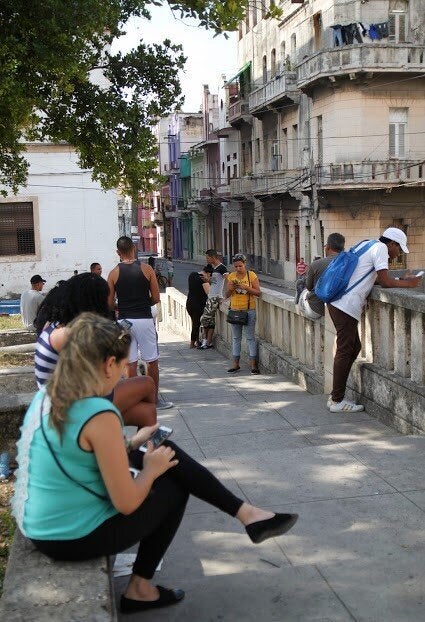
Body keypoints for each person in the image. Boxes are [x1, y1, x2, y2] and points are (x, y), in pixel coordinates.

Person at [12, 313, 298, 614]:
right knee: (173, 487)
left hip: (44, 524)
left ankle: (248, 515)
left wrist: (133, 443)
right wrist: (150, 471)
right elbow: (126, 503)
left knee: (162, 449)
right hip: (70, 536)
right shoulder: (98, 413)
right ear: (109, 364)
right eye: (123, 366)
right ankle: (140, 589)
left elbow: (77, 452)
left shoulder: (51, 393)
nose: (124, 375)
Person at [34, 272, 157, 427]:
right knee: (147, 384)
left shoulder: (56, 324)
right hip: (70, 409)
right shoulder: (68, 333)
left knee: (147, 412)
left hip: (68, 402)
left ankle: (141, 448)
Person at [327, 227, 422, 413]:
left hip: (339, 303)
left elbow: (373, 278)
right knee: (345, 350)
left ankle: (335, 396)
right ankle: (336, 400)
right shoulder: (381, 249)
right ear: (392, 244)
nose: (398, 254)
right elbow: (385, 282)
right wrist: (409, 284)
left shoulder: (367, 243)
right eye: (399, 249)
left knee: (353, 348)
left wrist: (400, 279)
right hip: (345, 305)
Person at [107, 236, 173, 410]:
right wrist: (143, 304)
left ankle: (133, 401)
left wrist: (120, 307)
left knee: (130, 362)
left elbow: (109, 303)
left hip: (123, 322)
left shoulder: (113, 273)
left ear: (117, 252)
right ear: (134, 249)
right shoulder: (147, 269)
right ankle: (154, 401)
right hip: (143, 319)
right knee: (151, 361)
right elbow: (157, 297)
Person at [226, 254, 261, 374]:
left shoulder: (251, 275)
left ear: (245, 264)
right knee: (236, 338)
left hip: (249, 310)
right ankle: (235, 364)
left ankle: (253, 366)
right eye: (236, 266)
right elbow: (227, 295)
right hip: (235, 310)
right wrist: (231, 289)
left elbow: (258, 292)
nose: (238, 268)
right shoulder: (231, 276)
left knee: (250, 337)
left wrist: (245, 287)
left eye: (240, 266)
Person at [299, 233, 345, 320]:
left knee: (303, 291)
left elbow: (309, 287)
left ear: (327, 247)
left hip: (316, 310)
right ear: (343, 249)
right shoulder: (348, 264)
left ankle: (298, 301)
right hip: (339, 309)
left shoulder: (315, 264)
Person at [199, 250, 229, 349]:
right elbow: (216, 283)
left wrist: (225, 297)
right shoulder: (215, 268)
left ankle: (205, 342)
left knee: (204, 319)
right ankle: (208, 342)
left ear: (213, 257)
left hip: (215, 297)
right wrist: (208, 280)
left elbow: (228, 280)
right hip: (211, 296)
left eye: (207, 258)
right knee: (210, 321)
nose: (206, 259)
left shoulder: (222, 268)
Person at [186, 266, 212, 348]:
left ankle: (197, 341)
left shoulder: (192, 275)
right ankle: (192, 343)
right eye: (210, 276)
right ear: (208, 273)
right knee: (196, 324)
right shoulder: (203, 279)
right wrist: (208, 282)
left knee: (195, 323)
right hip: (198, 304)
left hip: (189, 303)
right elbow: (208, 292)